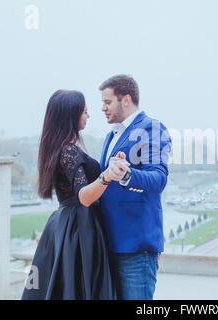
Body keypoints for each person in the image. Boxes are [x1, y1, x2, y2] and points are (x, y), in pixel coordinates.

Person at [21, 89, 129, 300]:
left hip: (69, 225)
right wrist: (107, 175)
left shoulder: (61, 148)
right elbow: (84, 197)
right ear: (71, 115)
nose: (88, 116)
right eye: (85, 112)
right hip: (79, 228)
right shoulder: (68, 151)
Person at [99, 74, 172, 300]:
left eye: (107, 102)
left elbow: (158, 178)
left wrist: (127, 173)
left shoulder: (152, 128)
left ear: (126, 100)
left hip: (135, 248)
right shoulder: (112, 135)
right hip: (110, 243)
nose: (102, 108)